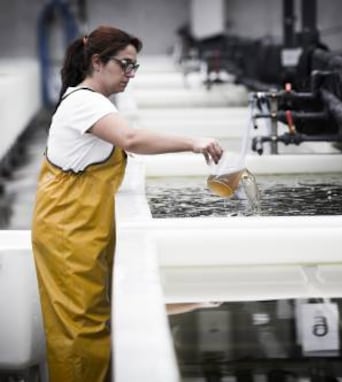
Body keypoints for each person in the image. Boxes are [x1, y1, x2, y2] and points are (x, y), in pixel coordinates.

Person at [31, 25, 223, 382]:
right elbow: (131, 138)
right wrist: (193, 142)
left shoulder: (93, 103)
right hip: (67, 236)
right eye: (125, 65)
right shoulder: (84, 102)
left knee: (93, 321)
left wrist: (195, 301)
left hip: (80, 231)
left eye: (135, 67)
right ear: (97, 62)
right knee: (80, 332)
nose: (130, 74)